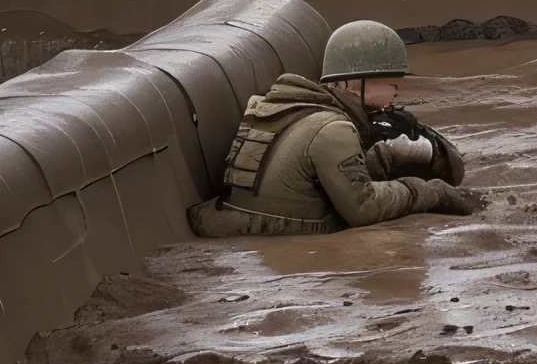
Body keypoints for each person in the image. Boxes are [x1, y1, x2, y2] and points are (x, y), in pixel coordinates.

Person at [189, 19, 485, 238]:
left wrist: (383, 158)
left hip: (235, 227)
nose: (396, 93)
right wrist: (426, 191)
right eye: (392, 83)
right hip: (283, 237)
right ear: (357, 82)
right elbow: (363, 209)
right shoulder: (334, 128)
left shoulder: (292, 110)